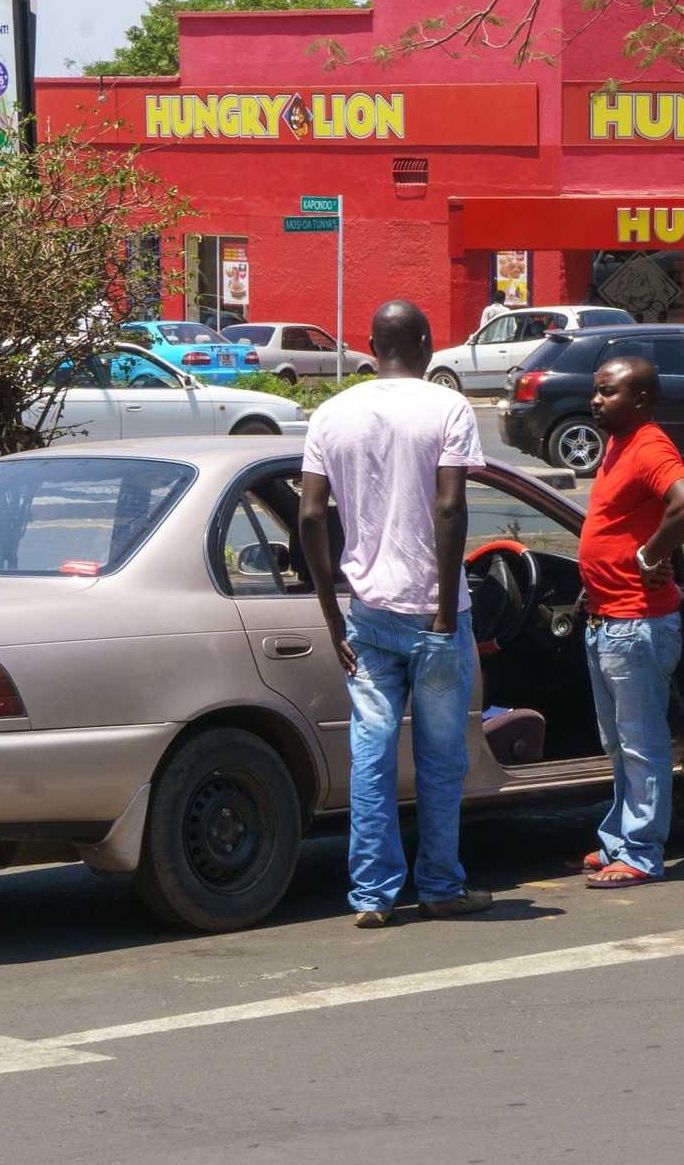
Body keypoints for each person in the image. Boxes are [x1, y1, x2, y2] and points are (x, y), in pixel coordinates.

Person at [300, 299, 493, 928]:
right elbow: (451, 509)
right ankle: (439, 885)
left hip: (367, 614)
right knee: (441, 759)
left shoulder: (330, 413)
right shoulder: (448, 407)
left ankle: (372, 896)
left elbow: (309, 517)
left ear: (372, 345)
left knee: (372, 753)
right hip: (434, 613)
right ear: (427, 342)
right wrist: (442, 609)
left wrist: (333, 617)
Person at [578, 356, 684, 888]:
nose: (595, 400)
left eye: (607, 392)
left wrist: (651, 557)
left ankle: (641, 852)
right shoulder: (617, 442)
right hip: (605, 620)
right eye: (595, 391)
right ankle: (618, 840)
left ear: (640, 400)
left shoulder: (649, 445)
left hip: (635, 623)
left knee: (641, 743)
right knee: (617, 743)